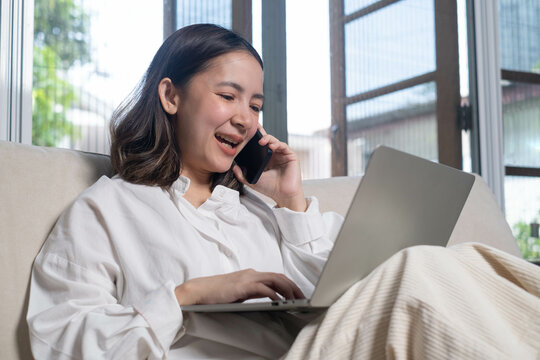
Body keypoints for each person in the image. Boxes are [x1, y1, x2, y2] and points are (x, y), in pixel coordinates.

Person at [27, 24, 540, 360]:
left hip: (327, 347)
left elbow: (354, 290)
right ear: (170, 94)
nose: (246, 119)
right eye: (228, 96)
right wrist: (189, 296)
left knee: (459, 263)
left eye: (254, 105)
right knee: (418, 270)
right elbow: (59, 337)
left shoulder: (260, 211)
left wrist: (290, 204)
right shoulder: (106, 210)